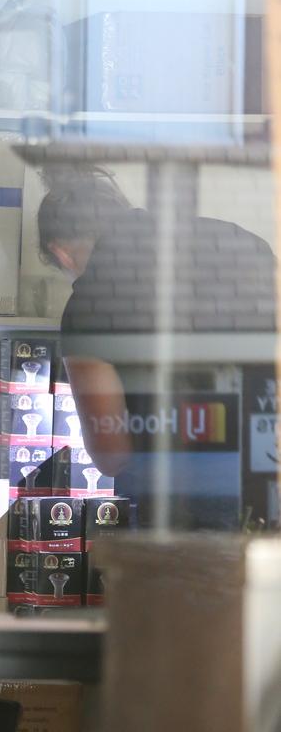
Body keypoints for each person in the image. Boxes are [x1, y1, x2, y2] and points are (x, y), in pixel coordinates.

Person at [38, 164, 276, 528]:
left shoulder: (88, 304)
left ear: (62, 253)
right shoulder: (238, 241)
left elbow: (111, 453)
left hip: (190, 508)